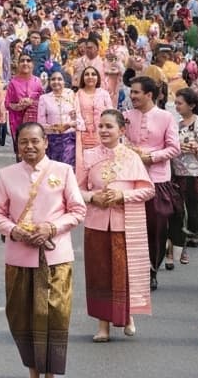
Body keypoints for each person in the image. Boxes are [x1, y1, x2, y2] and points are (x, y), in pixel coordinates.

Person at [0, 122, 87, 378]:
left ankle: (50, 374)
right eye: (24, 141)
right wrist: (14, 230)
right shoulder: (7, 174)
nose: (29, 146)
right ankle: (33, 372)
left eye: (35, 141)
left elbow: (77, 210)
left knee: (55, 316)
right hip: (19, 257)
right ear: (18, 145)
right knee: (21, 317)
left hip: (56, 257)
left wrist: (51, 228)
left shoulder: (64, 171)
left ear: (46, 142)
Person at [79, 109, 154, 342]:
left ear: (121, 130)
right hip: (96, 224)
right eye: (101, 126)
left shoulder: (132, 157)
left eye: (109, 126)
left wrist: (123, 196)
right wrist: (93, 198)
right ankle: (103, 326)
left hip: (125, 224)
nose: (103, 130)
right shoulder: (88, 155)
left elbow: (148, 190)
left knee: (122, 272)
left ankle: (126, 315)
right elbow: (76, 190)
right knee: (99, 274)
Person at [123, 76, 179, 290]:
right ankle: (134, 270)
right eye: (132, 92)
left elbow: (174, 148)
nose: (132, 96)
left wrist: (151, 157)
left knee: (156, 228)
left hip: (157, 179)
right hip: (131, 178)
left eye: (136, 92)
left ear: (149, 95)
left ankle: (151, 270)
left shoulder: (165, 117)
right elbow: (120, 141)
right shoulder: (126, 116)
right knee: (132, 227)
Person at [170, 88, 198, 266]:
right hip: (175, 167)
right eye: (176, 103)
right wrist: (178, 147)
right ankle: (179, 234)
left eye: (180, 103)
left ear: (191, 105)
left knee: (193, 202)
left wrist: (196, 148)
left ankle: (193, 234)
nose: (177, 106)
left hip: (194, 168)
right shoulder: (173, 122)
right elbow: (169, 142)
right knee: (177, 204)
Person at [36, 71, 78, 167]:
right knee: (53, 168)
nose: (56, 82)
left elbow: (78, 118)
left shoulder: (71, 94)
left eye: (59, 79)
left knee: (68, 166)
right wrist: (54, 128)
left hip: (69, 139)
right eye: (53, 79)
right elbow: (40, 124)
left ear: (64, 82)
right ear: (49, 82)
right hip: (52, 140)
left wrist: (70, 124)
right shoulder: (44, 98)